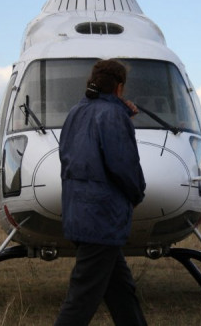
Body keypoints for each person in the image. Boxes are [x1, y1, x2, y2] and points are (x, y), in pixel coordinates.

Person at [55, 60, 147, 326]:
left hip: (79, 212)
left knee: (121, 290)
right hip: (102, 216)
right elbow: (123, 165)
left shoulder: (75, 112)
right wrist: (137, 194)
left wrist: (121, 111)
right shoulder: (113, 115)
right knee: (81, 298)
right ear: (119, 87)